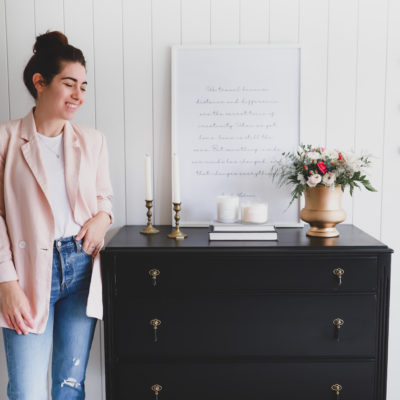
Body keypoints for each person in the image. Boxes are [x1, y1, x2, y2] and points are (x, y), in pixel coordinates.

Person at [0, 31, 113, 399]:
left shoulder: (92, 140)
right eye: (69, 84)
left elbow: (104, 199)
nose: (78, 95)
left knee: (69, 385)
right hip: (28, 271)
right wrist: (6, 284)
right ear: (40, 82)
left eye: (83, 85)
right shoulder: (5, 139)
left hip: (80, 265)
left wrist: (102, 219)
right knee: (27, 391)